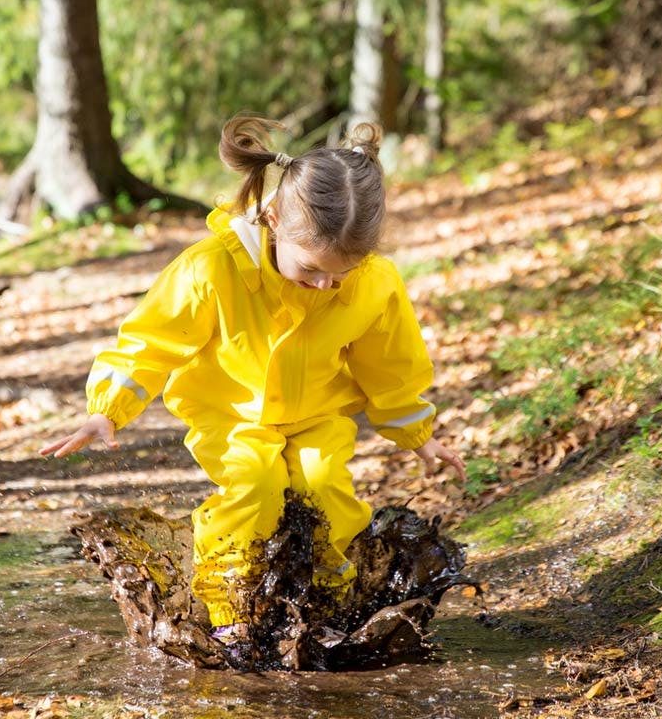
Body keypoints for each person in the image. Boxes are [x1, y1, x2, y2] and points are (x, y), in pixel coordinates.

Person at [38, 115, 465, 644]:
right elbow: (151, 341)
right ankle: (231, 608)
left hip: (317, 415)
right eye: (310, 269)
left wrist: (419, 437)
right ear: (273, 218)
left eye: (341, 273)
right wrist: (109, 408)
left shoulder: (375, 284)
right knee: (255, 486)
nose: (325, 283)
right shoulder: (211, 269)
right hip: (230, 413)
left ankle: (327, 604)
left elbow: (392, 367)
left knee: (324, 487)